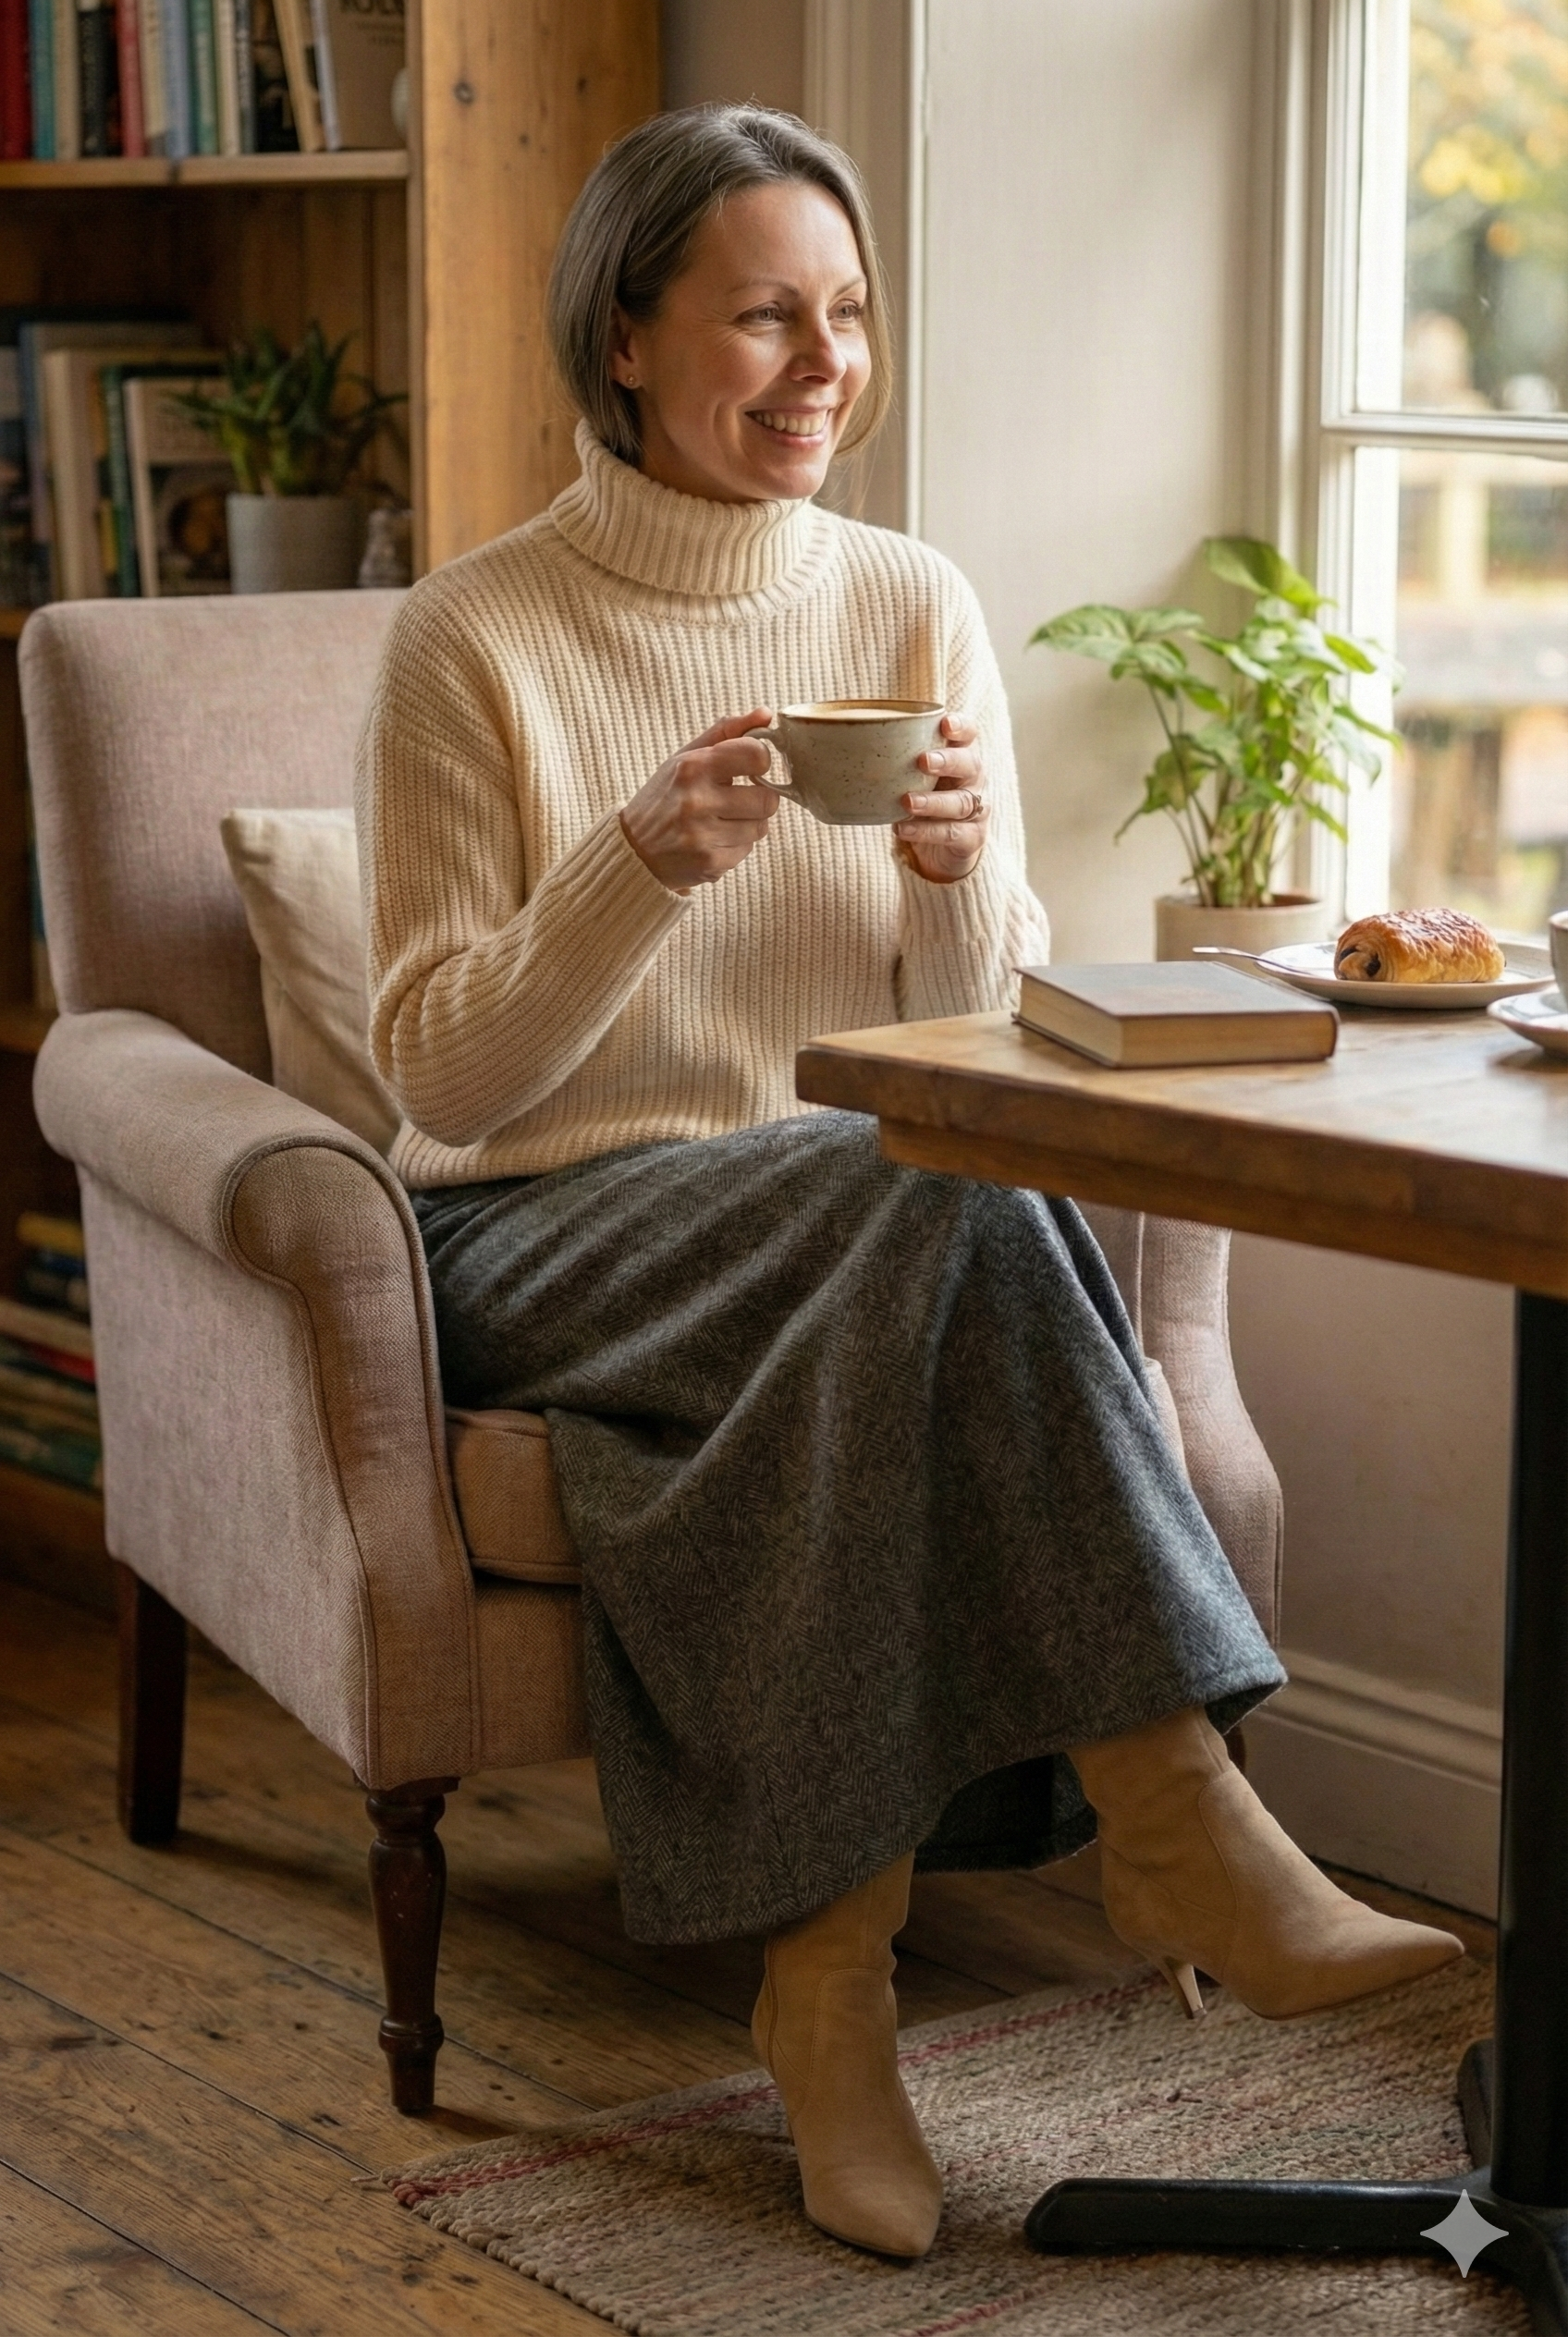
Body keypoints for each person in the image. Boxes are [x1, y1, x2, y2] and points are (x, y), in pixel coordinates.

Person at [357, 104, 1462, 2262]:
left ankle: (828, 1991)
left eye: (845, 314)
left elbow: (975, 1044)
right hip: (544, 1229)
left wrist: (958, 891)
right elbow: (446, 1078)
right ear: (622, 337)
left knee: (925, 1202)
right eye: (763, 314)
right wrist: (633, 867)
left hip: (852, 1225)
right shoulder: (467, 636)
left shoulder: (906, 600)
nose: (820, 364)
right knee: (921, 1202)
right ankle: (1171, 1816)